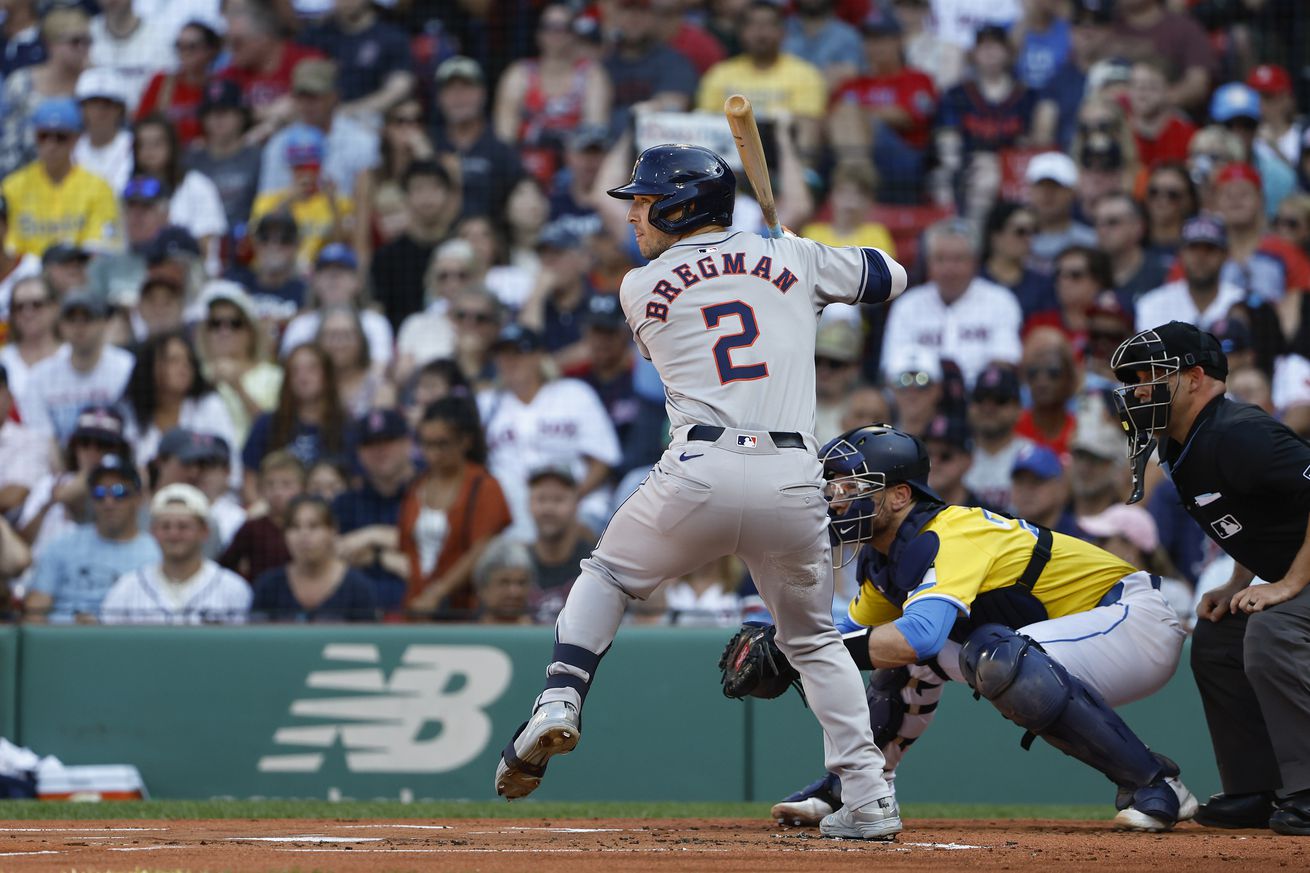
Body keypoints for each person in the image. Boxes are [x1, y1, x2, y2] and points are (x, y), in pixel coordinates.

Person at [493, 143, 908, 842]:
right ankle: (868, 795)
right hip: (791, 477)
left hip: (700, 470)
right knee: (811, 639)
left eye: (646, 202)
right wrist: (800, 254)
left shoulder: (638, 287)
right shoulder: (792, 256)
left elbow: (702, 318)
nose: (635, 217)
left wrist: (777, 260)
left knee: (608, 575)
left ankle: (561, 696)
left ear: (683, 206)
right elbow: (890, 276)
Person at [765, 424, 1193, 832]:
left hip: (1134, 622)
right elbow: (851, 632)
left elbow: (918, 636)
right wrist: (780, 639)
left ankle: (1155, 781)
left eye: (852, 487)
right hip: (1066, 645)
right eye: (834, 486)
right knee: (917, 656)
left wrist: (800, 651)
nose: (836, 500)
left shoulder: (950, 533)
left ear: (898, 496)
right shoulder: (887, 558)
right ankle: (856, 788)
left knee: (990, 654)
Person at [1111, 321, 1310, 835]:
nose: (1137, 389)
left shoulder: (1238, 432)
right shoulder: (1184, 444)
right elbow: (1256, 517)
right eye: (1133, 379)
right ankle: (1258, 788)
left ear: (1195, 377)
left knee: (1274, 628)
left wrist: (1287, 584)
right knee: (1220, 636)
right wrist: (1239, 580)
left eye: (1150, 375)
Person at [480, 322, 621, 542]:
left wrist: (566, 501)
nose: (509, 361)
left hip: (579, 502)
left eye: (518, 353)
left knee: (579, 535)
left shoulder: (573, 393)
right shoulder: (486, 404)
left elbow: (603, 459)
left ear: (538, 357)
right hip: (513, 512)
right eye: (503, 355)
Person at [399, 395, 513, 617]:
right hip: (416, 607)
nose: (433, 454)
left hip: (463, 610)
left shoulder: (485, 485)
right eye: (427, 444)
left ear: (465, 441)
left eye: (442, 444)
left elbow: (480, 550)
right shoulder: (416, 486)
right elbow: (407, 550)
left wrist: (438, 593)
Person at [881, 218, 1022, 388]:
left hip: (980, 401)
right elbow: (892, 368)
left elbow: (1004, 362)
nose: (948, 268)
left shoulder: (1001, 301)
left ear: (974, 262)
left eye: (957, 259)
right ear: (928, 262)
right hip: (920, 395)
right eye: (940, 259)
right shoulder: (907, 305)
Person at [23, 455, 159, 623]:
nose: (109, 502)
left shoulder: (155, 553)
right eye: (99, 493)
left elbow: (156, 620)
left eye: (119, 492)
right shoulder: (62, 545)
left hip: (122, 640)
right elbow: (35, 611)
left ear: (138, 499)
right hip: (62, 639)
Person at [492, 4, 612, 184]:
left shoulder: (591, 74)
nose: (555, 34)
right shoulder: (520, 74)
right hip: (525, 174)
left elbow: (594, 136)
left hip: (575, 177)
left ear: (574, 34)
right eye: (549, 27)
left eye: (563, 28)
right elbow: (505, 139)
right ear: (538, 34)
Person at [99, 483, 251, 625]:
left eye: (183, 526)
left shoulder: (233, 588)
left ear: (204, 531)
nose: (174, 534)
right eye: (165, 527)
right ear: (153, 532)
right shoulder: (128, 587)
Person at [694, 0, 827, 158]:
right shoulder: (720, 73)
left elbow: (808, 122)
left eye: (769, 25)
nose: (761, 32)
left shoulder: (805, 73)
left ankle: (804, 176)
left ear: (783, 32)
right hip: (731, 150)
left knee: (808, 124)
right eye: (753, 25)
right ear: (740, 32)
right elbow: (703, 119)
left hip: (784, 152)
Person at [2, 97, 121, 259]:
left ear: (76, 139)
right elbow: (8, 247)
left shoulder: (98, 188)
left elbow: (100, 247)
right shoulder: (12, 187)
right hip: (24, 276)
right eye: (44, 136)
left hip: (77, 274)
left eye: (61, 137)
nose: (51, 145)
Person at [19, 292, 134, 446]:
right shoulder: (40, 377)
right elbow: (42, 440)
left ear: (103, 323)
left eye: (87, 319)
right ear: (61, 326)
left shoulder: (127, 368)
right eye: (71, 320)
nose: (79, 327)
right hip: (57, 467)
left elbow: (132, 433)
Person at [119, 329, 238, 475]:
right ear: (150, 366)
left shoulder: (210, 406)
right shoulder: (130, 413)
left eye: (188, 360)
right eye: (173, 360)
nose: (184, 366)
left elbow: (232, 470)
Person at [257, 59, 379, 201]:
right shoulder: (279, 143)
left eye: (314, 97)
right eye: (300, 97)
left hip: (346, 219)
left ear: (334, 96)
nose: (306, 105)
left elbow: (368, 202)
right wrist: (290, 197)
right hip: (294, 219)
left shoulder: (361, 140)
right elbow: (265, 208)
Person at [330, 409, 416, 612]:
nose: (380, 451)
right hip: (354, 616)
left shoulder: (429, 494)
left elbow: (434, 556)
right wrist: (388, 557)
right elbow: (332, 553)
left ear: (407, 444)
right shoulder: (345, 504)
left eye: (388, 441)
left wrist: (370, 538)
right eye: (370, 444)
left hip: (421, 615)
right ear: (358, 453)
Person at [251, 495, 378, 622]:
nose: (303, 535)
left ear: (332, 531)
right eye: (295, 527)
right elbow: (256, 639)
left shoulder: (359, 588)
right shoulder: (268, 586)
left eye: (314, 526)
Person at [0, 7, 91, 179]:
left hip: (82, 180)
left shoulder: (95, 85)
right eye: (75, 41)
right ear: (51, 44)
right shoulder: (20, 82)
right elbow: (7, 145)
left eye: (88, 42)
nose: (83, 48)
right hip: (23, 179)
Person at [241, 343, 347, 492]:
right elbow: (249, 482)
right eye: (295, 371)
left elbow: (355, 483)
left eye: (312, 369)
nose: (303, 377)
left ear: (327, 375)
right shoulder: (267, 424)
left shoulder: (347, 426)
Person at [249, 125, 354, 272]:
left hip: (319, 275)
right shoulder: (268, 200)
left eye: (311, 167)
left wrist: (333, 205)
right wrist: (288, 200)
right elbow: (257, 242)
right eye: (298, 167)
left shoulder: (339, 202)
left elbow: (342, 245)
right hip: (277, 271)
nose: (305, 174)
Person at [431, 56, 523, 222]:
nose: (458, 97)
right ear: (439, 99)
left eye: (466, 88)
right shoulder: (429, 144)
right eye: (450, 90)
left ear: (483, 93)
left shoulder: (499, 145)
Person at [131, 114, 227, 273]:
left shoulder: (197, 185)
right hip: (142, 273)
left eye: (157, 144)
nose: (149, 151)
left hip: (195, 272)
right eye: (143, 145)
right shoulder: (130, 189)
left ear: (172, 146)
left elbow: (206, 246)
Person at [369, 160, 457, 332]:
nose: (427, 198)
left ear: (448, 195)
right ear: (405, 196)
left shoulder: (459, 251)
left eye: (435, 188)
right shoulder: (386, 258)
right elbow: (380, 313)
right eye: (418, 189)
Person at [194, 281, 282, 448]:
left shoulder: (274, 376)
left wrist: (238, 388)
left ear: (251, 331)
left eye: (235, 323)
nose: (224, 331)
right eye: (215, 323)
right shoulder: (193, 373)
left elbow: (275, 432)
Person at [297, 0, 413, 118]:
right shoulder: (316, 35)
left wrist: (350, 111)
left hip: (369, 117)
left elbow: (400, 87)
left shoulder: (391, 36)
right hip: (315, 116)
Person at [1135, 216, 1246, 333]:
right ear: (1180, 253)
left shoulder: (1241, 302)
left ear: (1225, 255)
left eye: (1210, 249)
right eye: (1193, 248)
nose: (1201, 257)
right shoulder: (1152, 305)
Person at [185, 79, 263, 241]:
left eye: (225, 112)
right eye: (211, 113)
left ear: (241, 116)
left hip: (246, 242)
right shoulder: (190, 160)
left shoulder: (258, 158)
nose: (217, 120)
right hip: (200, 239)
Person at [135, 20, 223, 146]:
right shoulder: (161, 82)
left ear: (210, 50)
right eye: (179, 46)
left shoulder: (219, 86)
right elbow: (141, 124)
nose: (184, 52)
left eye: (192, 47)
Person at [219, 449, 302, 583]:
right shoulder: (252, 528)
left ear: (302, 488)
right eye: (270, 484)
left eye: (286, 484)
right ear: (261, 489)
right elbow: (226, 566)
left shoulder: (310, 528)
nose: (278, 492)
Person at [525, 464, 595, 621]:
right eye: (541, 499)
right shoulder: (516, 563)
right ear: (528, 504)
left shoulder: (596, 564)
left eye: (558, 499)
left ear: (576, 504)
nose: (548, 509)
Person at [964, 363, 1033, 511]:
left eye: (1000, 400)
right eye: (980, 399)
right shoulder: (950, 456)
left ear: (1019, 409)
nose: (988, 408)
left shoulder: (1032, 455)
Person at [979, 201, 1055, 322]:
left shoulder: (1043, 285)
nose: (1028, 239)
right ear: (995, 235)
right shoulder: (973, 281)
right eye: (1020, 232)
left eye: (1033, 232)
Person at [1093, 192, 1167, 307]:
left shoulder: (1162, 275)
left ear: (1138, 227)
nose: (1102, 230)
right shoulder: (1087, 273)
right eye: (1098, 223)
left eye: (1113, 222)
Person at [73, 67, 133, 193]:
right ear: (82, 109)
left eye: (108, 104)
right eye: (93, 103)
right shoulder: (70, 147)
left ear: (120, 109)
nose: (100, 110)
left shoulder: (134, 146)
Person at [0, 275, 58, 402]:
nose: (28, 313)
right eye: (19, 307)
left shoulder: (72, 355)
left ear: (54, 307)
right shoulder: (3, 360)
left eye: (37, 305)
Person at [472, 536, 539, 625]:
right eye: (504, 582)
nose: (515, 592)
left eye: (521, 583)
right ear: (483, 588)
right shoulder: (463, 636)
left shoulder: (547, 636)